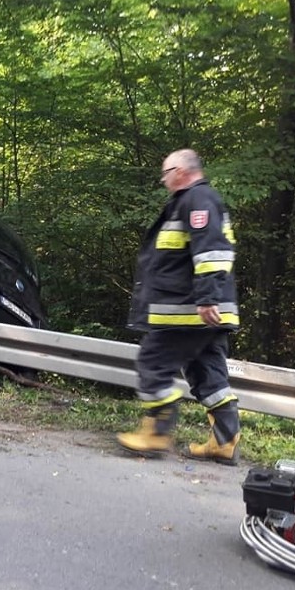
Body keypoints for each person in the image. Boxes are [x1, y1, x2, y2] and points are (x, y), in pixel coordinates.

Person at [117, 149, 241, 465]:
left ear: (181, 171)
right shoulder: (197, 200)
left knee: (153, 364)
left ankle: (156, 434)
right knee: (208, 374)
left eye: (165, 172)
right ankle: (225, 442)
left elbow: (212, 250)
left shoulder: (196, 200)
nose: (163, 179)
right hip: (201, 311)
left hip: (187, 311)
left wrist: (207, 297)